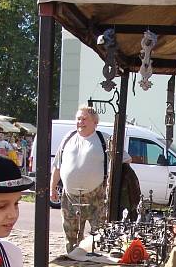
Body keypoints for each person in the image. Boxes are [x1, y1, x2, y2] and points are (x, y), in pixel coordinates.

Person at [50, 106, 132, 253]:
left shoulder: (104, 139)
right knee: (70, 237)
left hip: (97, 198)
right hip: (69, 197)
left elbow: (125, 160)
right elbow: (57, 165)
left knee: (99, 236)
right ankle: (71, 264)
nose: (80, 122)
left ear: (95, 122)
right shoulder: (68, 138)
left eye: (84, 119)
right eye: (78, 119)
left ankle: (95, 264)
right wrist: (52, 188)